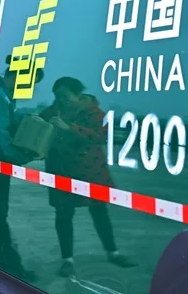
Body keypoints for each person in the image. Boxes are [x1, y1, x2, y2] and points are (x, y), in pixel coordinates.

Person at [40, 77, 136, 277]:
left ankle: (113, 252)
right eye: (58, 96)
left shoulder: (94, 112)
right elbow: (38, 125)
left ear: (79, 95)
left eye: (66, 96)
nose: (62, 100)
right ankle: (67, 260)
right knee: (63, 214)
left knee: (99, 211)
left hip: (90, 170)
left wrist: (69, 128)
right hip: (61, 169)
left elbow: (100, 135)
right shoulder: (54, 111)